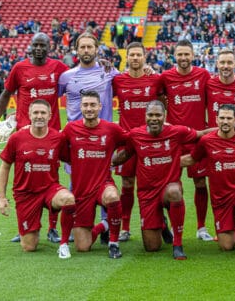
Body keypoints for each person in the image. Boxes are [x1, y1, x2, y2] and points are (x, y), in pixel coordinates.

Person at [0, 32, 68, 243]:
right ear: (30, 47)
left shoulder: (59, 68)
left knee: (52, 177)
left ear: (49, 47)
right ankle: (23, 228)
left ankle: (52, 228)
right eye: (36, 45)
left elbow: (78, 79)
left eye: (43, 45)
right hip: (24, 134)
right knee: (22, 179)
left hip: (51, 134)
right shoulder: (19, 68)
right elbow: (6, 94)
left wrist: (105, 66)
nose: (39, 49)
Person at [112, 100, 211, 260]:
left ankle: (177, 244)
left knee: (174, 192)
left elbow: (201, 134)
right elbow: (124, 155)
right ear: (145, 116)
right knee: (152, 247)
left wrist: (228, 129)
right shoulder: (136, 135)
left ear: (164, 116)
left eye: (158, 115)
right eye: (150, 115)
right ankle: (162, 224)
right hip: (147, 194)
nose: (154, 118)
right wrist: (105, 161)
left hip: (168, 188)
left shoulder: (176, 132)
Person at [58, 32, 119, 244]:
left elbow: (131, 85)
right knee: (76, 184)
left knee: (104, 182)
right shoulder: (67, 77)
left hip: (103, 141)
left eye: (89, 47)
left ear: (96, 49)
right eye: (82, 47)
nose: (86, 51)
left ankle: (105, 227)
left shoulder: (109, 72)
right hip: (76, 140)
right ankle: (78, 224)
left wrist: (147, 69)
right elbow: (47, 99)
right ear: (76, 50)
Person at [0, 100, 76, 259]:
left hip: (50, 189)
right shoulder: (17, 138)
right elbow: (5, 166)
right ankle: (32, 228)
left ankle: (64, 244)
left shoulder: (58, 138)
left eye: (43, 113)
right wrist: (2, 197)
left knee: (68, 199)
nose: (39, 116)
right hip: (25, 194)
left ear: (50, 116)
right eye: (36, 113)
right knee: (29, 246)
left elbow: (71, 160)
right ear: (29, 115)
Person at [182, 104, 235, 259]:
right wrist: (165, 162)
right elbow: (192, 158)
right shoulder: (206, 140)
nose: (226, 121)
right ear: (216, 119)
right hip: (220, 198)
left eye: (229, 118)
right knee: (226, 246)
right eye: (222, 118)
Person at [61, 91, 127, 259]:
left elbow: (132, 142)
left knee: (112, 196)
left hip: (103, 184)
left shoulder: (111, 129)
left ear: (100, 107)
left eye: (92, 105)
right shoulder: (70, 129)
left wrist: (118, 160)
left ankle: (113, 242)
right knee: (83, 247)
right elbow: (55, 144)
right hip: (81, 191)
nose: (89, 108)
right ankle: (103, 225)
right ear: (80, 107)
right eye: (85, 105)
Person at [159, 40, 214, 242]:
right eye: (179, 54)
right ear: (174, 56)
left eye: (186, 54)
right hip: (174, 140)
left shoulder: (203, 75)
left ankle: (201, 228)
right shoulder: (165, 77)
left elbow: (212, 101)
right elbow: (157, 99)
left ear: (193, 55)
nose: (183, 58)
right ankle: (169, 225)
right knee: (171, 184)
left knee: (200, 182)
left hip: (198, 138)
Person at [112, 42, 162, 242]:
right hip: (127, 140)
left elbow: (162, 103)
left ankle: (158, 222)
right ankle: (125, 227)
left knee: (152, 184)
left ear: (144, 57)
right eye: (131, 55)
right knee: (127, 182)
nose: (134, 58)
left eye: (138, 55)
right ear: (127, 58)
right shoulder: (118, 80)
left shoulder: (154, 79)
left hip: (150, 140)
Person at [205, 49, 235, 131]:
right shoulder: (209, 84)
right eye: (222, 62)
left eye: (229, 63)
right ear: (217, 64)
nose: (226, 66)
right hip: (214, 137)